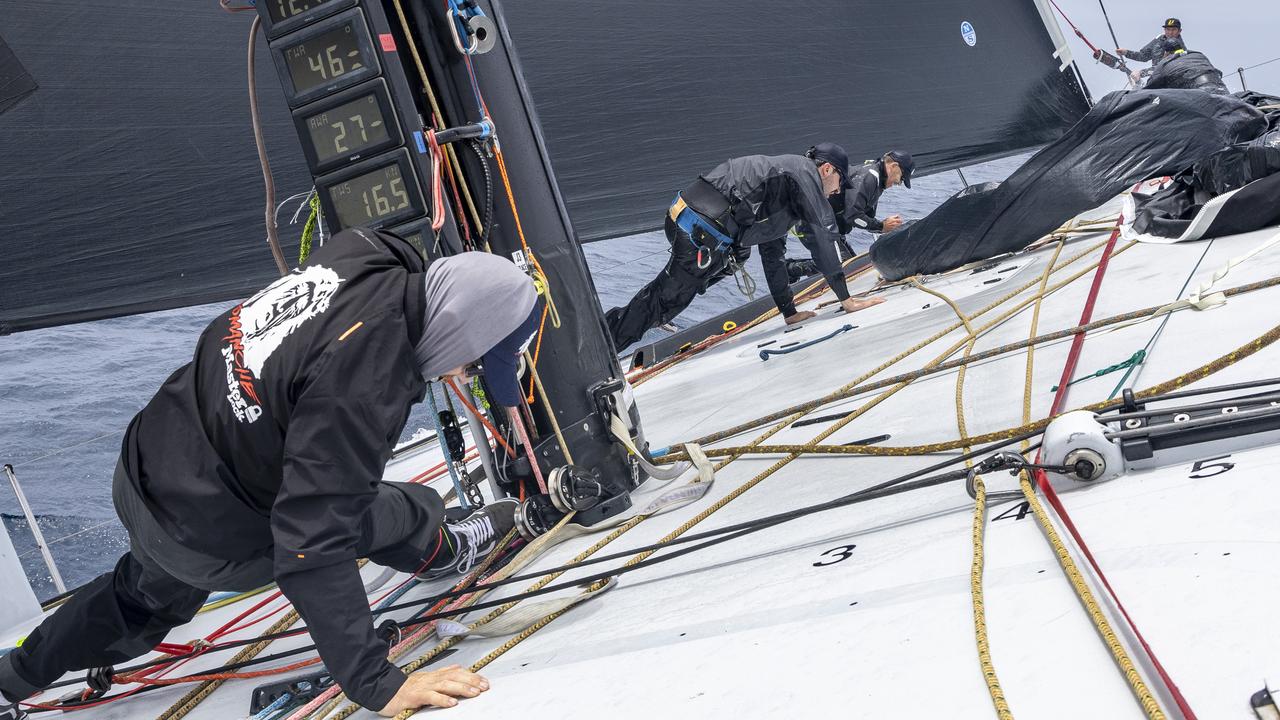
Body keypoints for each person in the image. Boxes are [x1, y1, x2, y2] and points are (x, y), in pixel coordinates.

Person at [0, 229, 545, 718]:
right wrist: (377, 682)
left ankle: (13, 676)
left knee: (139, 595)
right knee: (391, 504)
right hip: (208, 530)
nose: (462, 375)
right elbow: (312, 541)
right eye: (474, 362)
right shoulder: (368, 379)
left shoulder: (367, 251)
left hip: (150, 470)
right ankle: (444, 547)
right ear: (460, 330)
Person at [604, 143, 883, 349]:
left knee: (725, 263)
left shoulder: (785, 190)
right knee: (666, 298)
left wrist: (789, 311)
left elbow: (773, 255)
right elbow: (822, 237)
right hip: (701, 229)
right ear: (826, 169)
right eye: (839, 182)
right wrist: (847, 299)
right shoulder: (803, 174)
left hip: (699, 227)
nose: (837, 191)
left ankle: (609, 335)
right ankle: (605, 346)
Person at [784, 150, 915, 291]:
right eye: (901, 178)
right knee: (844, 266)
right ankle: (790, 269)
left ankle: (803, 270)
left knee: (854, 266)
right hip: (813, 223)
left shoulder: (877, 181)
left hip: (830, 227)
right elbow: (852, 215)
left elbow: (864, 216)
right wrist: (881, 225)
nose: (899, 183)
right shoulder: (869, 177)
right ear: (894, 166)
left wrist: (883, 227)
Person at [1117, 18, 1186, 67]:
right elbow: (1143, 56)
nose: (1170, 32)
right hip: (1155, 79)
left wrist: (1142, 73)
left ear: (1179, 31)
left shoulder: (1180, 48)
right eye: (1168, 29)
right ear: (1164, 30)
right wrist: (1126, 52)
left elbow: (1165, 68)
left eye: (1174, 30)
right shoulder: (1159, 40)